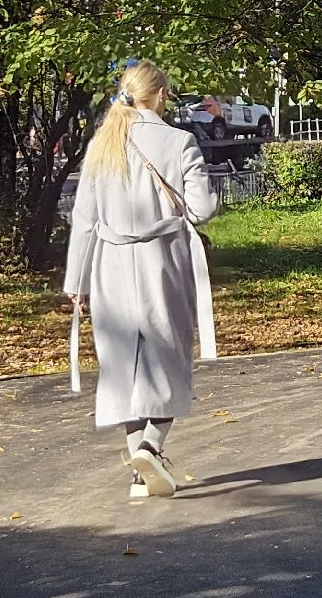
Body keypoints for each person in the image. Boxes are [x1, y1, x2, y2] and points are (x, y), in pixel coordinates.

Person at [64, 61, 221, 499]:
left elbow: (84, 219)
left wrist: (75, 282)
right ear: (162, 95)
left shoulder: (103, 143)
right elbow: (202, 210)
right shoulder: (180, 141)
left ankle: (139, 468)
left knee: (120, 365)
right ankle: (151, 447)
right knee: (167, 356)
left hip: (109, 265)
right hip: (161, 264)